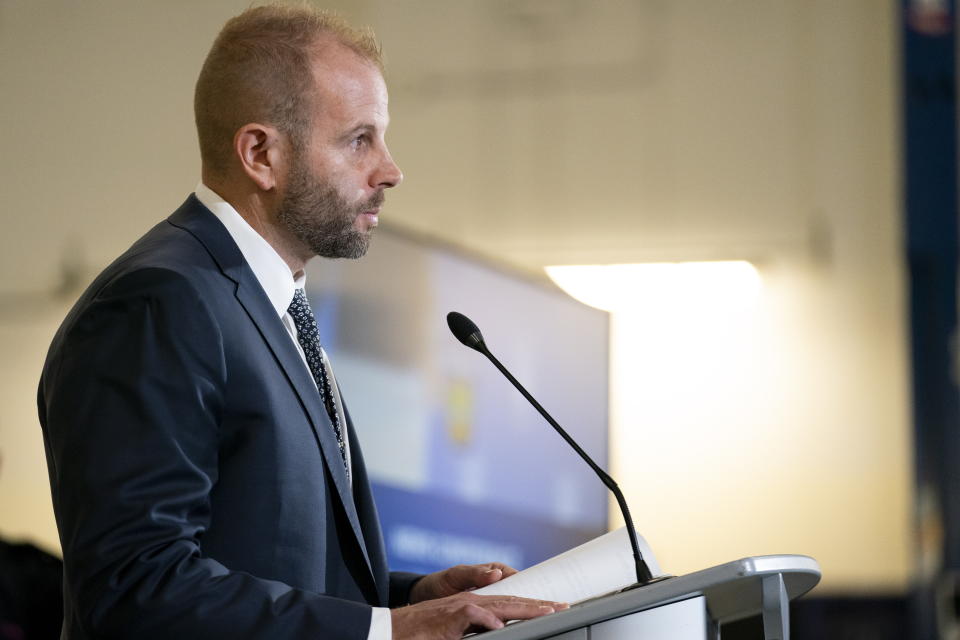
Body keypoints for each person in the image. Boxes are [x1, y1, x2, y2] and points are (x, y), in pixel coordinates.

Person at [37, 5, 563, 639]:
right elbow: (137, 588)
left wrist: (410, 599)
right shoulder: (160, 302)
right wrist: (388, 633)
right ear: (261, 153)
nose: (390, 170)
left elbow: (276, 570)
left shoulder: (272, 304)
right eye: (358, 139)